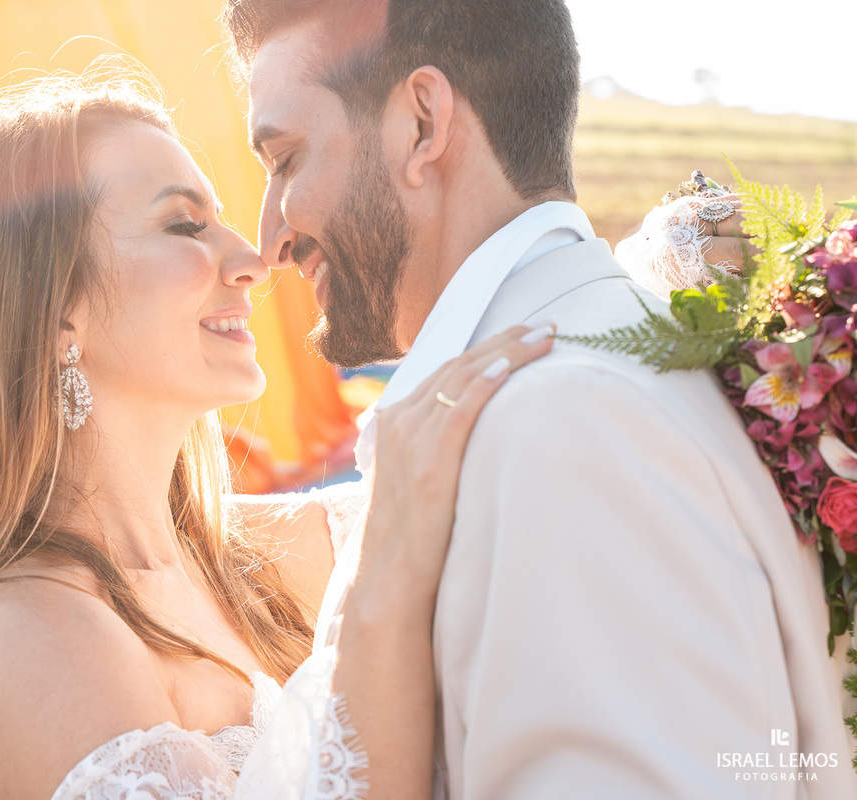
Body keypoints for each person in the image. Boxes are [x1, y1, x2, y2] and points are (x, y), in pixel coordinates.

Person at [0, 71, 556, 800]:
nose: (254, 262)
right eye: (183, 224)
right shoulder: (17, 636)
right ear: (54, 307)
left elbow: (541, 509)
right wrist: (382, 598)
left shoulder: (278, 556)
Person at [224, 0, 857, 797]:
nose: (268, 235)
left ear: (422, 124)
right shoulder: (623, 347)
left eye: (284, 160)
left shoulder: (556, 429)